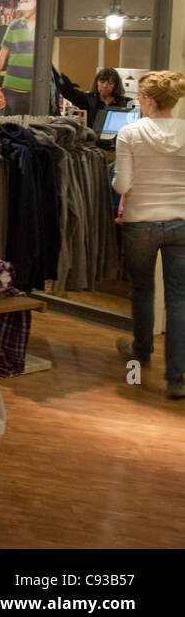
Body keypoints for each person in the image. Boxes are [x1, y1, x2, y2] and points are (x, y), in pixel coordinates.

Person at [111, 70, 185, 399]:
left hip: (140, 222)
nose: (138, 102)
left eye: (140, 97)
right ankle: (177, 378)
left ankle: (141, 351)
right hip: (181, 222)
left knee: (142, 290)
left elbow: (123, 185)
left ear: (150, 101)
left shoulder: (130, 133)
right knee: (179, 299)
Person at [54, 66, 131, 132]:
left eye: (110, 83)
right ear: (97, 82)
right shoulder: (89, 99)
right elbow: (71, 93)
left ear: (115, 85)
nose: (104, 86)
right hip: (94, 142)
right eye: (102, 81)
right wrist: (60, 78)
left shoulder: (125, 102)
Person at [0, 0, 37, 114]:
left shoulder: (44, 27)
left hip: (34, 90)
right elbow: (2, 56)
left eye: (27, 2)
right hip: (12, 89)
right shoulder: (14, 26)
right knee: (11, 128)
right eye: (21, 3)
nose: (24, 6)